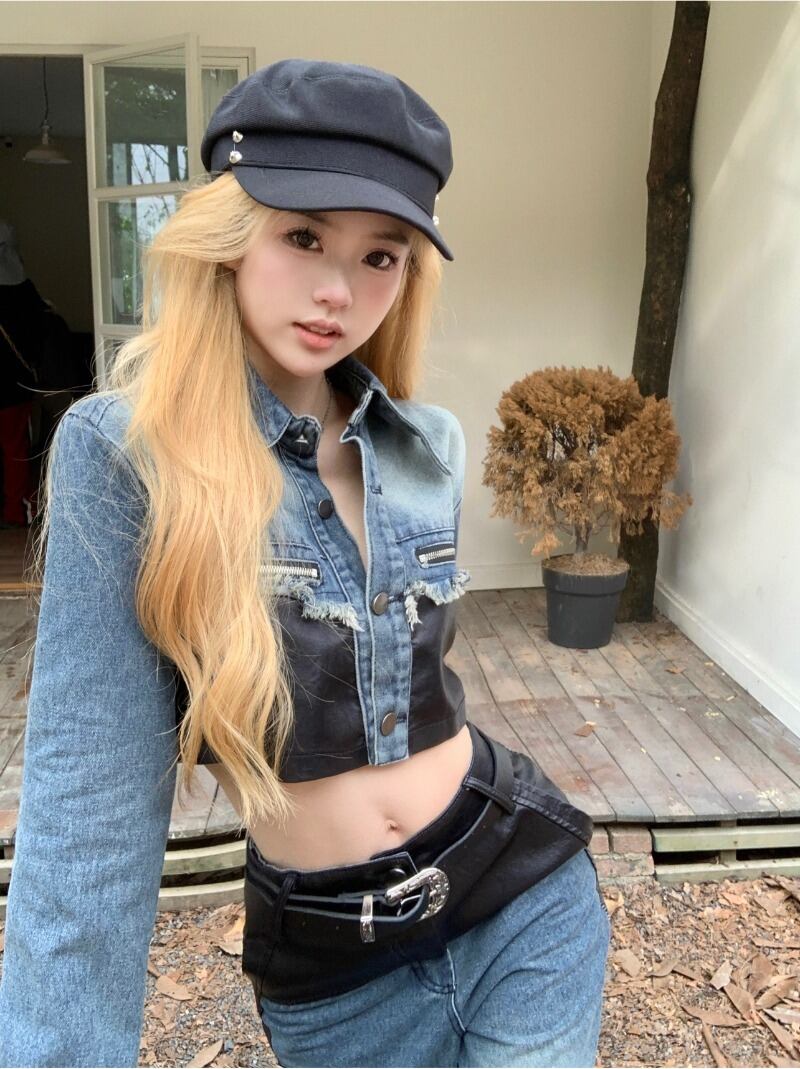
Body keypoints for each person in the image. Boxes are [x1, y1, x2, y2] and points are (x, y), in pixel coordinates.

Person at [0, 59, 610, 1068]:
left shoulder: (426, 445)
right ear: (232, 234)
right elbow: (86, 825)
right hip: (338, 974)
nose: (338, 291)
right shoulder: (128, 455)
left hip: (521, 895)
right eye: (303, 237)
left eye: (381, 256)